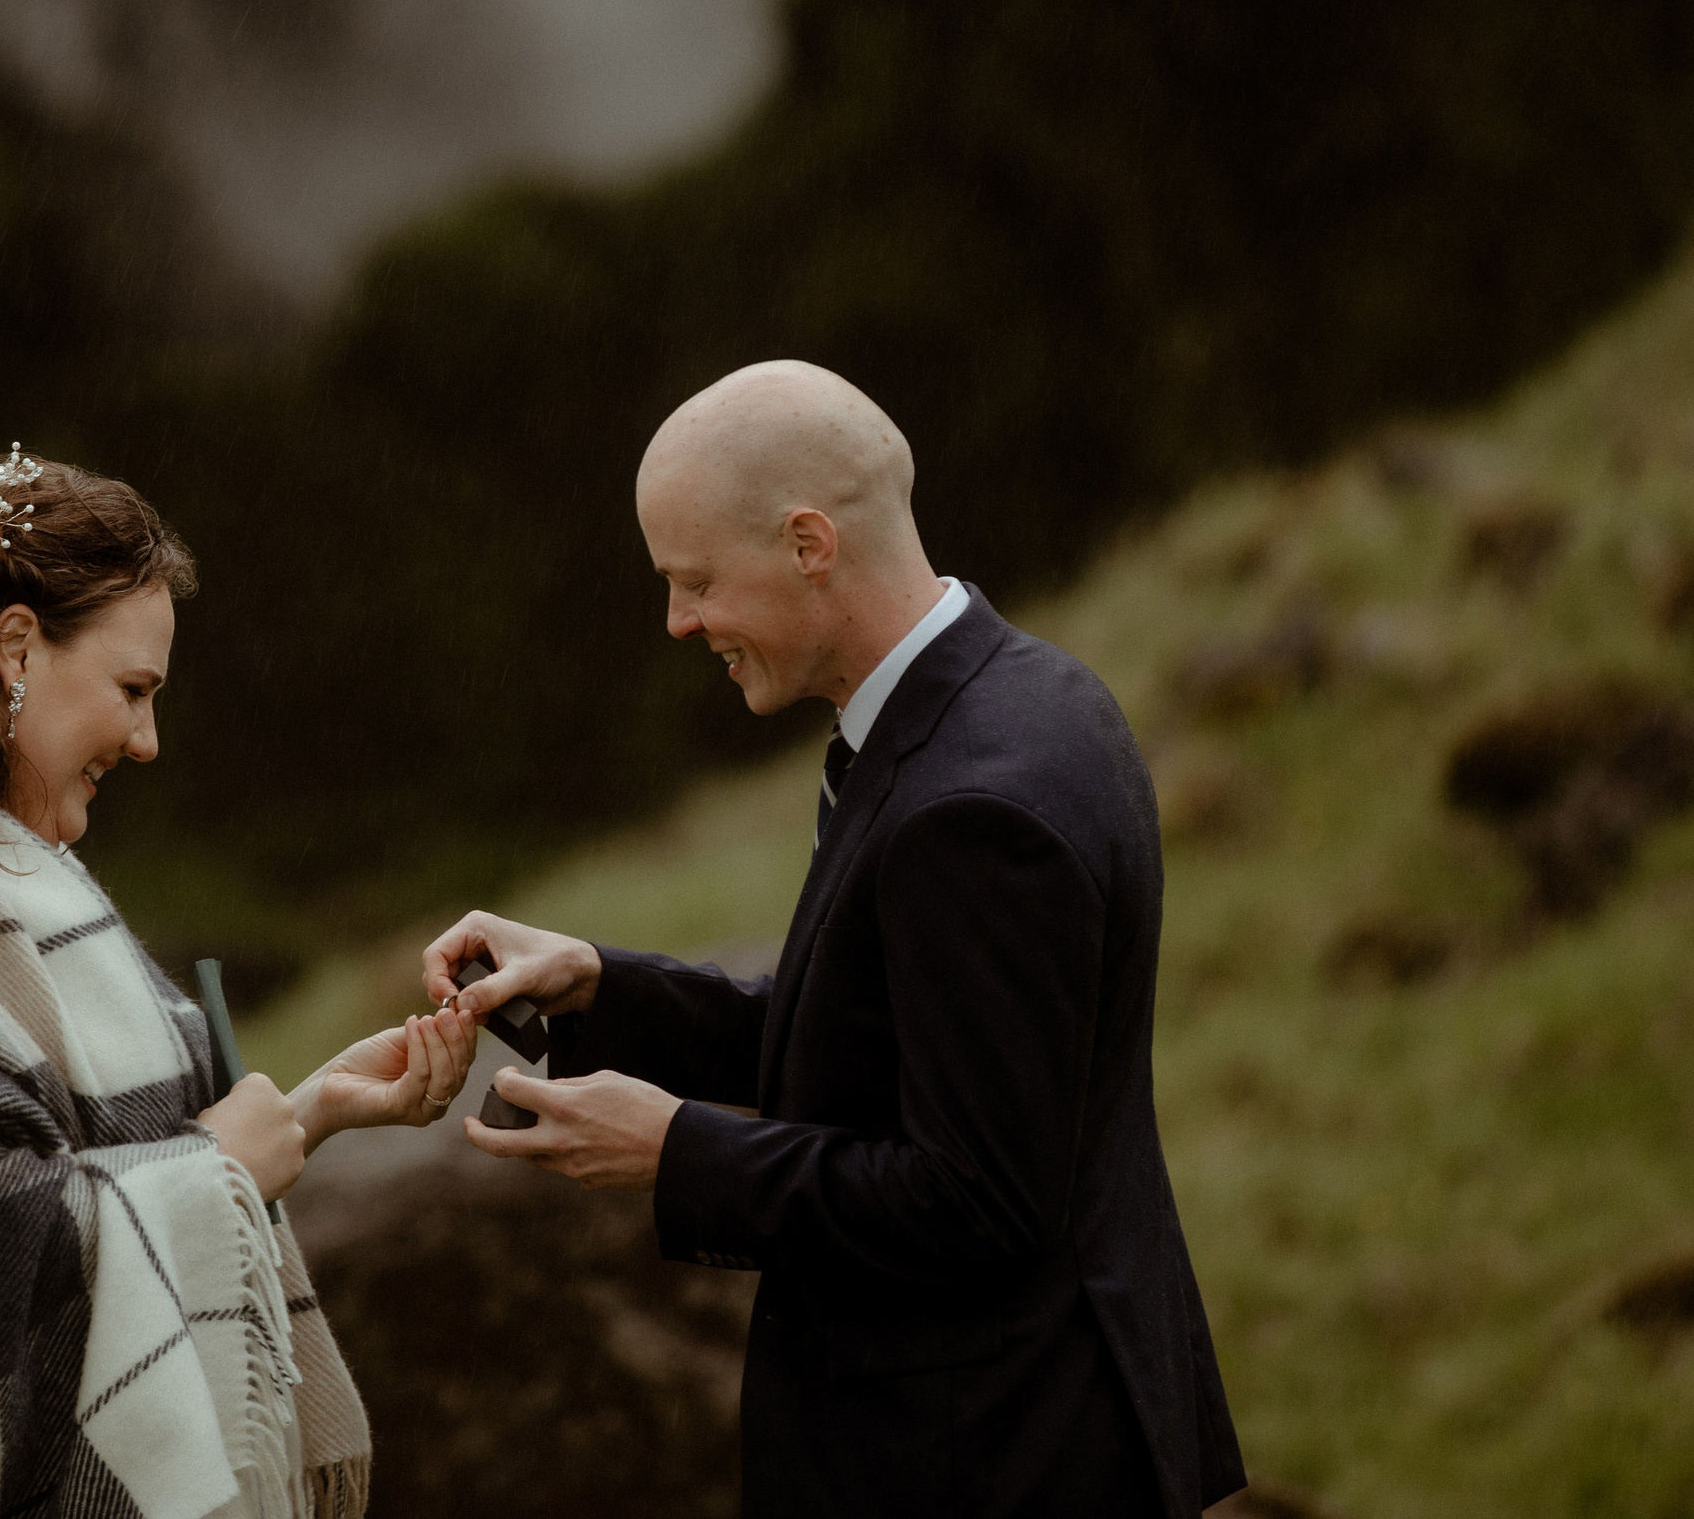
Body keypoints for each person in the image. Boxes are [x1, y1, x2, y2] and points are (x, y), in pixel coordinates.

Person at [424, 362, 1246, 1517]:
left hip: (990, 1463)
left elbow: (976, 1201)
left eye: (694, 580)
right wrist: (600, 988)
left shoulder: (975, 807)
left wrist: (679, 1153)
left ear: (809, 543)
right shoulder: (1016, 696)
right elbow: (882, 1046)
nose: (678, 621)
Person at [0, 446, 477, 1519]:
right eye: (132, 690)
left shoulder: (2, 872)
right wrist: (211, 1169)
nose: (147, 740)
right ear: (15, 647)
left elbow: (59, 1165)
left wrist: (313, 1114)